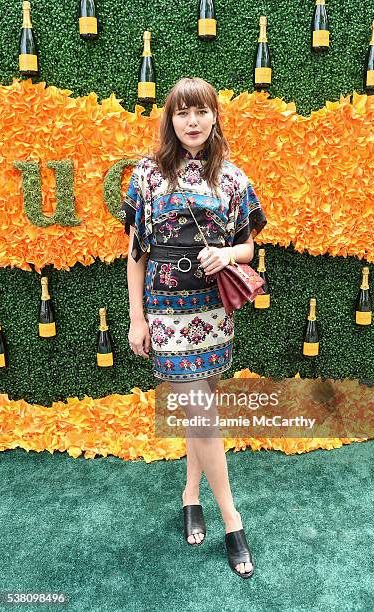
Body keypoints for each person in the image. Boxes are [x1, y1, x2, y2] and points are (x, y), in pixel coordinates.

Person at [120, 77, 267, 579]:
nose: (193, 121)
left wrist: (225, 252)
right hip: (166, 312)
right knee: (201, 414)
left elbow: (248, 247)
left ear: (214, 117)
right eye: (183, 112)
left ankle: (189, 495)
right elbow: (135, 254)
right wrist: (138, 318)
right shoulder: (145, 174)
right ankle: (233, 520)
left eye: (201, 111)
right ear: (170, 118)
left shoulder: (231, 177)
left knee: (195, 409)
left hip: (212, 310)